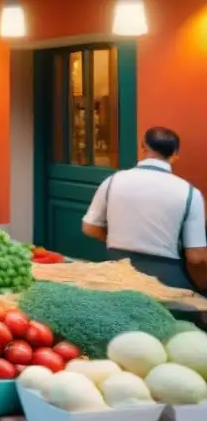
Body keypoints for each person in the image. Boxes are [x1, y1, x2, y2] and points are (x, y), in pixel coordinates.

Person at [82, 127, 207, 305]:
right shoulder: (189, 193)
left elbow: (90, 228)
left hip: (116, 276)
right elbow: (196, 257)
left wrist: (119, 239)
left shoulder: (113, 181)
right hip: (166, 285)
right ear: (175, 155)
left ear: (143, 149)